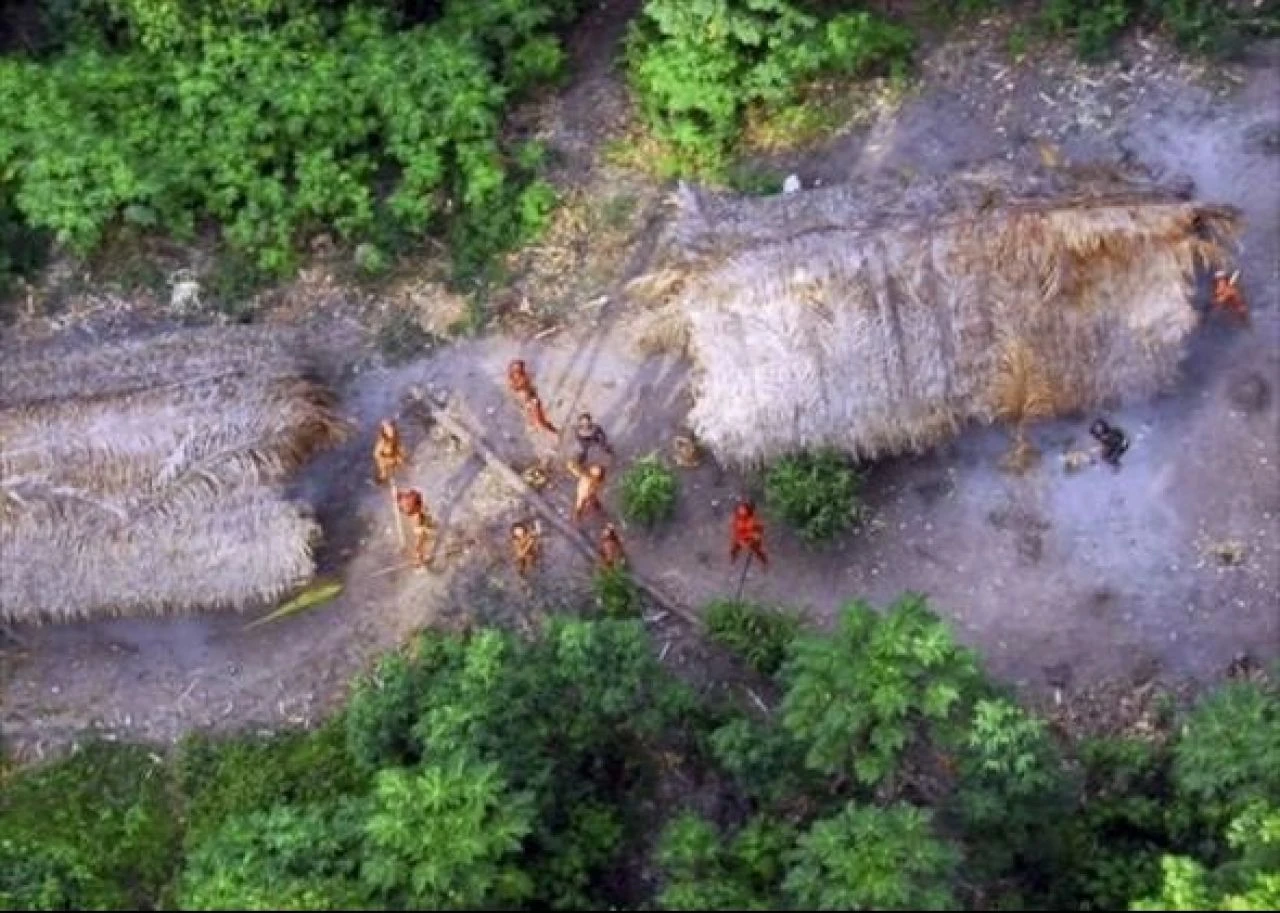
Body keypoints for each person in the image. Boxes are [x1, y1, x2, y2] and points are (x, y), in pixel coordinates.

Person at [507, 359, 558, 435]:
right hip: (526, 400)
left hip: (531, 398)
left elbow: (528, 386)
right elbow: (515, 388)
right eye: (515, 369)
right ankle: (543, 427)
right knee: (534, 417)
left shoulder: (524, 377)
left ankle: (549, 429)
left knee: (539, 419)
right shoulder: (514, 379)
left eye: (518, 368)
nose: (517, 371)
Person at [396, 488, 435, 568]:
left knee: (422, 538)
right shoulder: (405, 502)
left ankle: (421, 558)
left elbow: (418, 503)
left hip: (422, 518)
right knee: (420, 539)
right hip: (419, 517)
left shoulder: (412, 499)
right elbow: (406, 510)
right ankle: (420, 557)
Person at [729, 500, 768, 568]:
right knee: (734, 548)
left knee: (758, 550)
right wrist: (741, 541)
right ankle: (733, 559)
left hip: (751, 538)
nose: (741, 511)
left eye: (743, 510)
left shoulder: (753, 519)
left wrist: (756, 535)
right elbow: (735, 531)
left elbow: (760, 528)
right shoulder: (737, 519)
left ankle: (765, 563)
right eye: (740, 510)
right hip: (741, 538)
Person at [566, 460, 606, 524]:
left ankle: (577, 520)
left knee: (582, 504)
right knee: (591, 500)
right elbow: (580, 473)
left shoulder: (589, 478)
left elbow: (579, 473)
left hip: (587, 492)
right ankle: (598, 509)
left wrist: (572, 468)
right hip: (588, 492)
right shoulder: (590, 479)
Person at [372, 419, 405, 485]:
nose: (391, 431)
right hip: (388, 462)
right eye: (389, 430)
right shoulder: (382, 442)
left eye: (392, 430)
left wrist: (400, 459)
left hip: (395, 463)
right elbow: (377, 455)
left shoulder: (396, 440)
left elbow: (400, 451)